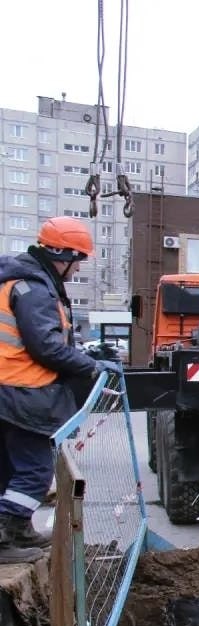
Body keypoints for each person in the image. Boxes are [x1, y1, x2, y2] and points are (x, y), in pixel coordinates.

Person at [0, 216, 121, 564]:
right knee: (35, 471)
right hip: (22, 391)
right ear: (63, 256)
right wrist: (93, 366)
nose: (77, 269)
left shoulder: (18, 281)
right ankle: (5, 537)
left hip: (9, 389)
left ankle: (17, 529)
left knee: (10, 469)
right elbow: (46, 348)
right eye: (78, 261)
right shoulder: (35, 288)